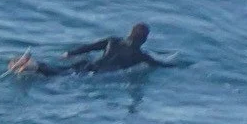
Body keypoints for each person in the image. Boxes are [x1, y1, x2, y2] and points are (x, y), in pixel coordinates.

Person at [9, 22, 170, 78]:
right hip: (96, 73)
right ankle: (33, 66)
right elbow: (160, 65)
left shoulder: (112, 40)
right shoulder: (140, 56)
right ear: (144, 40)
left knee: (61, 70)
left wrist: (70, 53)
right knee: (58, 76)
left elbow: (90, 47)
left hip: (88, 63)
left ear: (129, 33)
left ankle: (32, 65)